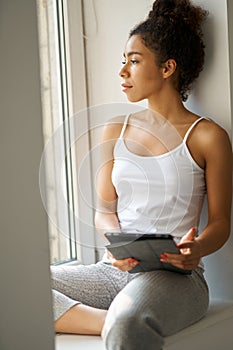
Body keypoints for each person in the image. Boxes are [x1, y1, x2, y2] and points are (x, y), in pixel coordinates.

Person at [51, 0, 232, 349]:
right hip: (115, 271)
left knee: (128, 324)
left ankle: (122, 319)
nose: (123, 72)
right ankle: (110, 320)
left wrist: (195, 249)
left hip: (177, 278)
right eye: (124, 61)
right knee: (15, 283)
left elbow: (221, 223)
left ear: (167, 68)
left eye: (134, 61)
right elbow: (105, 210)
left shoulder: (207, 136)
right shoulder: (115, 129)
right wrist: (117, 245)